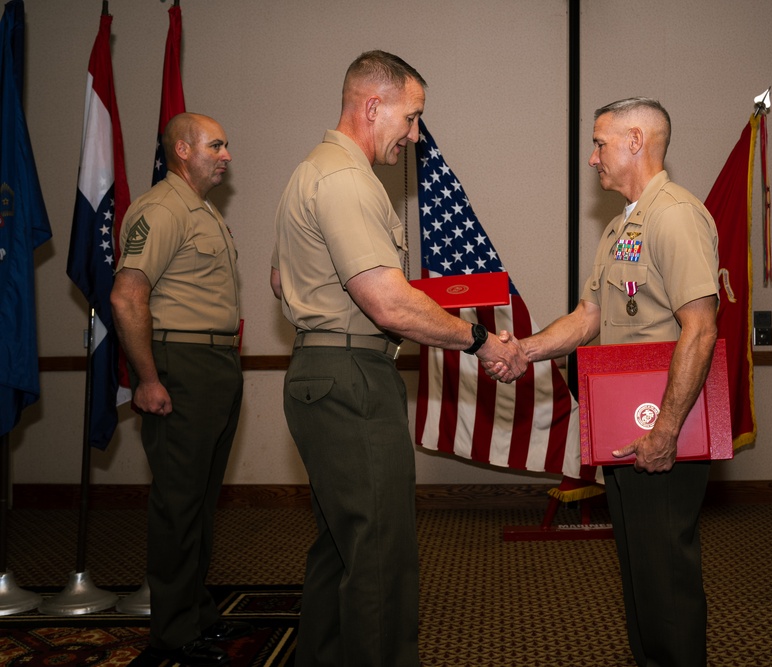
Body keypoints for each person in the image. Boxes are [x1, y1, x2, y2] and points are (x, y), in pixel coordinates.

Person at [271, 50, 527, 667]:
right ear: (372, 105)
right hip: (350, 377)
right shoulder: (346, 180)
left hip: (325, 369)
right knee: (380, 555)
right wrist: (480, 340)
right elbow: (387, 304)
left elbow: (281, 280)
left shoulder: (312, 171)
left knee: (342, 547)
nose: (414, 136)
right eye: (411, 118)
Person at [502, 98, 719, 667]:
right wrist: (524, 350)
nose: (592, 157)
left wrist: (666, 429)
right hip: (627, 431)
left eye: (600, 143)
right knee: (642, 575)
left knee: (666, 578)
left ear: (637, 140)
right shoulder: (625, 223)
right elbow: (590, 316)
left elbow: (700, 329)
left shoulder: (676, 216)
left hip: (664, 428)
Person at [111, 112, 250, 667]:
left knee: (199, 501)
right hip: (181, 364)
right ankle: (172, 631)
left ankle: (195, 613)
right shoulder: (163, 208)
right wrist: (148, 379)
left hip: (213, 364)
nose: (226, 155)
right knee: (178, 503)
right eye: (216, 144)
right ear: (183, 149)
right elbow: (126, 297)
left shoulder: (202, 212)